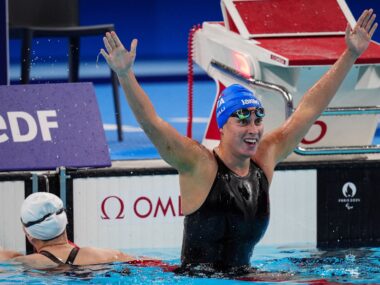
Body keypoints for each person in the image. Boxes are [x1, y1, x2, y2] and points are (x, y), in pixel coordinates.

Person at [100, 9, 377, 274]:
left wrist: (350, 55)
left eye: (258, 120)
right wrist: (125, 74)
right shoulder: (200, 164)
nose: (253, 129)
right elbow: (152, 123)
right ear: (222, 127)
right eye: (242, 121)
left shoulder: (264, 159)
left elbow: (308, 109)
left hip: (245, 275)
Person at [12, 192, 137, 269]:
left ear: (27, 232)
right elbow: (153, 264)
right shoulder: (108, 256)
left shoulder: (23, 264)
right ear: (65, 220)